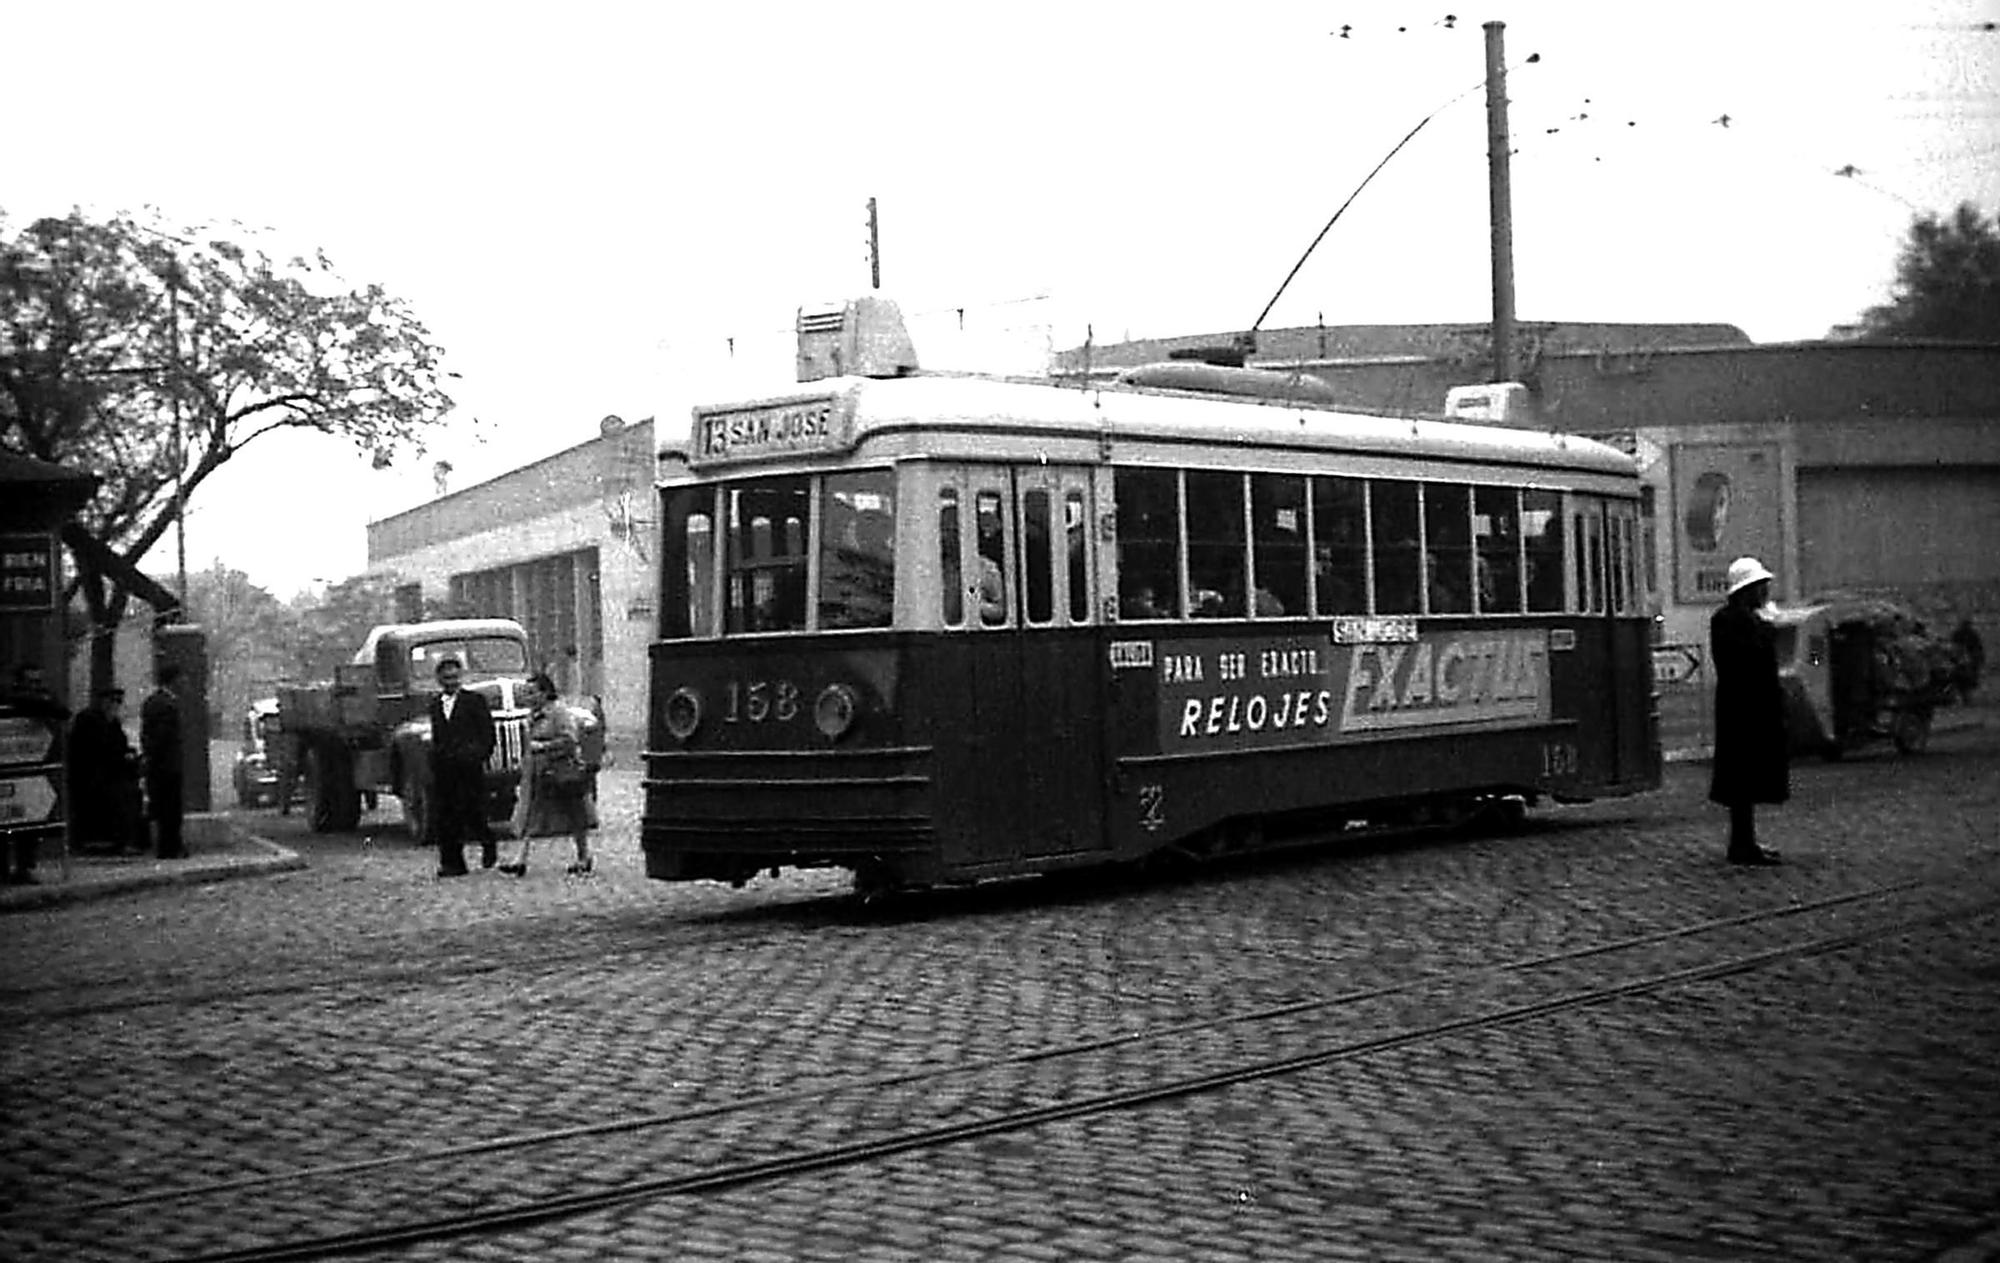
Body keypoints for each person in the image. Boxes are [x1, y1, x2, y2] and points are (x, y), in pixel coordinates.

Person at [1708, 556, 1786, 866]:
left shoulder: (1737, 620)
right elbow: (1749, 659)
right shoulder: (1732, 621)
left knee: (1746, 781)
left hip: (1744, 708)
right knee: (1743, 781)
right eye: (1761, 587)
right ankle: (1742, 845)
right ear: (1748, 589)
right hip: (1744, 710)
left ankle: (1746, 841)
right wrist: (1768, 628)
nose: (1766, 592)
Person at [499, 673, 593, 877]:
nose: (529, 697)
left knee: (574, 814)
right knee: (530, 813)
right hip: (537, 772)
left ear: (545, 692)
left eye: (533, 692)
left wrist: (543, 746)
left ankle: (584, 856)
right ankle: (520, 859)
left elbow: (570, 740)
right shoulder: (533, 715)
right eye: (527, 693)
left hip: (560, 770)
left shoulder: (559, 712)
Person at [427, 656, 497, 877]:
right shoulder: (435, 704)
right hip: (445, 770)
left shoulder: (475, 701)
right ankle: (453, 864)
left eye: (455, 677)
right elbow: (438, 736)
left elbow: (487, 734)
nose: (451, 681)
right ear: (439, 679)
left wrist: (476, 756)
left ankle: (487, 842)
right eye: (446, 677)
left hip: (469, 768)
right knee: (446, 817)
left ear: (461, 677)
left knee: (473, 812)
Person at [3, 665, 70, 883]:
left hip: (31, 770)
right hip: (8, 769)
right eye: (30, 682)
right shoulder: (10, 696)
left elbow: (62, 711)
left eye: (38, 683)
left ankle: (24, 867)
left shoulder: (43, 699)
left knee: (30, 820)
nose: (34, 687)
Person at [67, 686, 144, 856]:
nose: (115, 705)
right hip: (90, 774)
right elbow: (92, 748)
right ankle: (96, 842)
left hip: (111, 773)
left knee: (128, 796)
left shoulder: (113, 721)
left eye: (118, 702)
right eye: (112, 701)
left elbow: (119, 744)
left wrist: (129, 754)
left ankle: (119, 841)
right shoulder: (88, 718)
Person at [140, 663, 186, 860]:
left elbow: (147, 734)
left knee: (163, 806)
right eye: (181, 678)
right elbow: (162, 736)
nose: (184, 682)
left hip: (158, 763)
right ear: (173, 680)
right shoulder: (167, 704)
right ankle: (169, 847)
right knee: (171, 808)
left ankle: (170, 845)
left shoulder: (152, 701)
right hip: (167, 764)